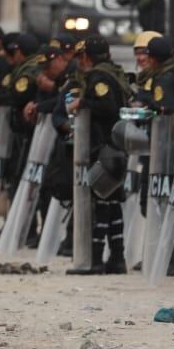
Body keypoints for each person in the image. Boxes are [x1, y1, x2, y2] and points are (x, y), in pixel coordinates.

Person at [66, 35, 132, 274]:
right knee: (112, 203)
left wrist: (83, 103)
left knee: (101, 205)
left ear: (86, 57)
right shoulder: (113, 72)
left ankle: (94, 260)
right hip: (115, 147)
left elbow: (108, 107)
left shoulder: (99, 77)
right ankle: (116, 258)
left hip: (104, 147)